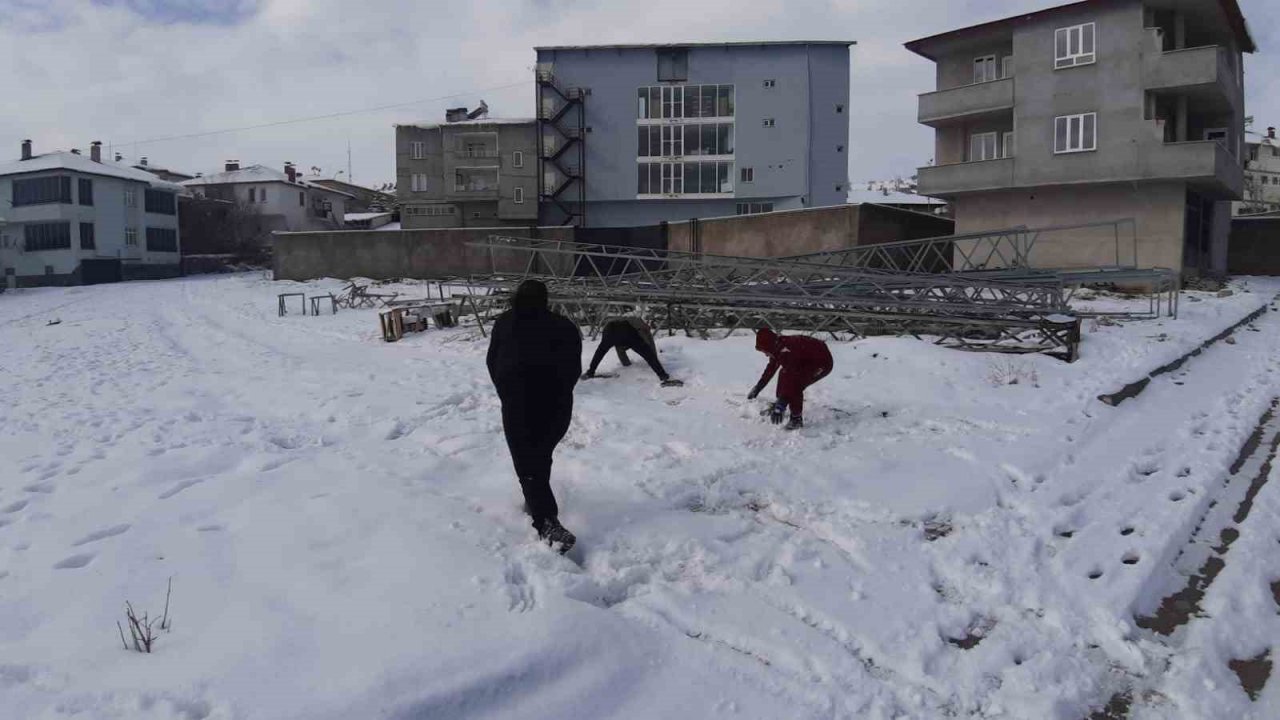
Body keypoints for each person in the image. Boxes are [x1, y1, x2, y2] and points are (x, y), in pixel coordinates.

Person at [486, 280, 582, 552]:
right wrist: (560, 393)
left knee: (528, 466)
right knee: (539, 457)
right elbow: (574, 368)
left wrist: (505, 392)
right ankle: (537, 506)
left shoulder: (505, 323)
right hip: (556, 407)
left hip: (519, 405)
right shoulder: (564, 326)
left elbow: (493, 361)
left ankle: (547, 522)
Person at [747, 328, 833, 430]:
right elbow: (771, 369)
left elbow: (791, 381)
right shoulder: (777, 347)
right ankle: (780, 403)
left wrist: (782, 403)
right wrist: (759, 386)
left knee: (796, 384)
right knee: (785, 374)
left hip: (821, 363)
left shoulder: (787, 351)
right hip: (806, 360)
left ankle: (796, 419)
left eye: (765, 351)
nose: (766, 354)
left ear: (769, 347)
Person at [582, 317, 683, 386]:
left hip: (611, 333)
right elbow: (649, 347)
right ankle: (663, 376)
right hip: (628, 334)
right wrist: (653, 357)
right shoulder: (637, 323)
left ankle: (590, 372)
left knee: (600, 352)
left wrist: (591, 370)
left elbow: (600, 352)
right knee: (648, 354)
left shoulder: (611, 326)